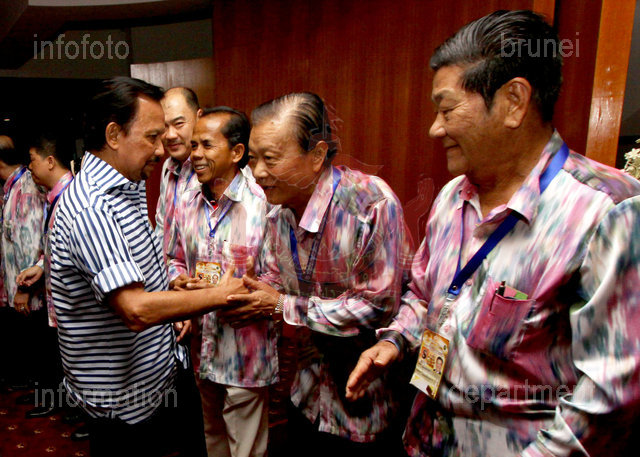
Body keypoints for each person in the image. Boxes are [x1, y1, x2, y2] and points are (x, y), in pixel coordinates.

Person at [346, 10, 640, 457]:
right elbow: (424, 294)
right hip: (424, 438)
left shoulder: (607, 211)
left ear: (513, 102)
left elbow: (607, 399)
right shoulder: (452, 197)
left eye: (447, 109)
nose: (435, 128)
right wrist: (395, 340)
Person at [49, 77, 246, 457]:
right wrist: (221, 295)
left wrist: (172, 293)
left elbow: (131, 278)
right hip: (126, 404)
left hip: (160, 375)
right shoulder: (93, 208)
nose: (161, 148)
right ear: (113, 135)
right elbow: (136, 309)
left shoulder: (128, 184)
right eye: (152, 137)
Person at [221, 92, 412, 456]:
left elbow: (376, 307)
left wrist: (281, 305)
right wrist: (246, 291)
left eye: (270, 159)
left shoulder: (369, 203)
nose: (257, 172)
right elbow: (275, 281)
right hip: (306, 394)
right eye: (253, 159)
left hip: (364, 403)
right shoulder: (277, 212)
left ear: (317, 154)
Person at [167, 107, 276, 457]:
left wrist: (233, 292)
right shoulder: (187, 201)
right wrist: (179, 284)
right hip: (202, 345)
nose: (196, 154)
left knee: (246, 449)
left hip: (244, 350)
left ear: (237, 152)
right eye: (194, 145)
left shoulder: (263, 204)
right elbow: (173, 258)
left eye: (207, 145)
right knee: (213, 439)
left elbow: (279, 278)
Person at [12, 133, 74, 420]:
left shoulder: (70, 199)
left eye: (33, 160)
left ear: (50, 161)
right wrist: (40, 266)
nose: (30, 167)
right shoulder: (55, 197)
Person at [0, 135, 45, 390]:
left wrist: (23, 290)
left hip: (30, 291)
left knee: (37, 347)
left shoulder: (26, 189)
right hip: (19, 287)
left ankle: (41, 392)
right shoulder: (11, 188)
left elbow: (29, 243)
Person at [156, 86, 201, 258]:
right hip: (169, 271)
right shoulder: (168, 167)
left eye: (179, 124)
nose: (170, 135)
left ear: (199, 117)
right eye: (164, 127)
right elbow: (162, 226)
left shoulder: (217, 168)